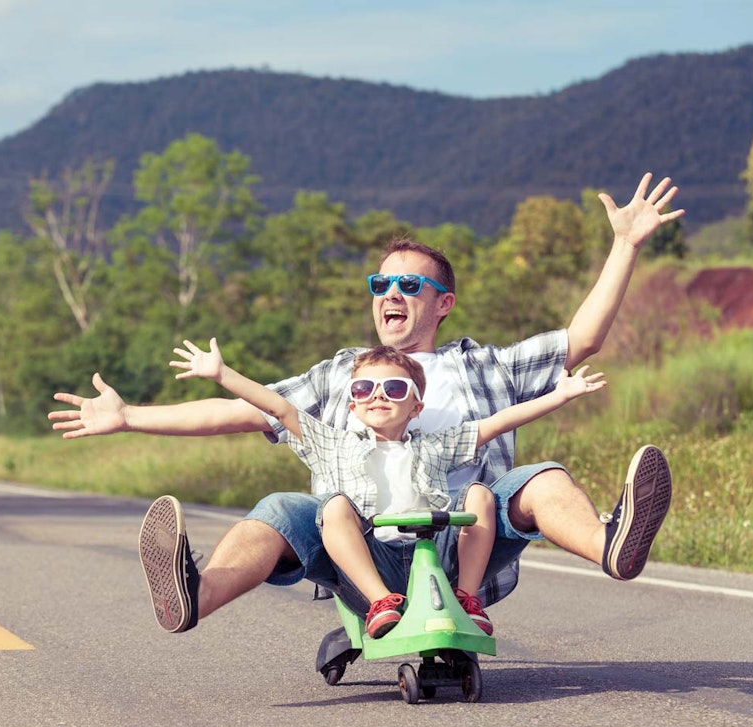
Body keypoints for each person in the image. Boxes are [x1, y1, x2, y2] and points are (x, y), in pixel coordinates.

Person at [49, 172, 680, 637]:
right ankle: (192, 594)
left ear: (443, 303)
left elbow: (582, 339)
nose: (391, 292)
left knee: (541, 478)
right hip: (361, 546)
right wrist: (130, 416)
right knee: (280, 509)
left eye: (411, 283)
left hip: (466, 542)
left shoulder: (483, 365)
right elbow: (249, 411)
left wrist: (625, 244)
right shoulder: (342, 375)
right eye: (381, 283)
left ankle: (611, 545)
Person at [167, 340, 606, 637]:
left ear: (416, 406)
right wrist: (222, 374)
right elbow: (278, 407)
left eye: (394, 388)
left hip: (435, 558)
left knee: (479, 494)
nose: (379, 395)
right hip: (370, 565)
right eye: (365, 388)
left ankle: (468, 598)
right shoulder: (332, 444)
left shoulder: (435, 446)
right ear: (353, 403)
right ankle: (381, 605)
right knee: (335, 506)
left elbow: (497, 423)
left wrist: (559, 396)